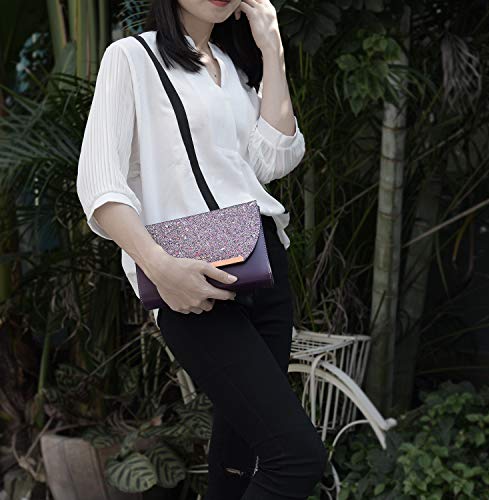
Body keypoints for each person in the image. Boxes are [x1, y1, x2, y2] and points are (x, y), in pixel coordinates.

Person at [76, 0, 329, 498]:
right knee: (296, 458)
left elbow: (275, 158)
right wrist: (159, 267)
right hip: (189, 277)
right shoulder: (132, 57)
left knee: (239, 460)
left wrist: (271, 46)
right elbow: (100, 185)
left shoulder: (233, 70)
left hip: (263, 265)